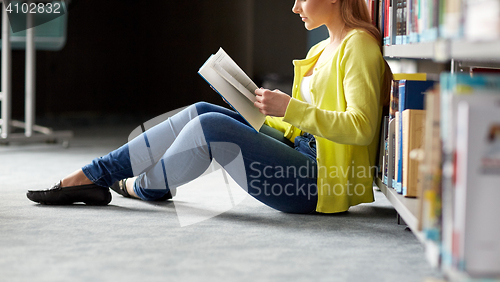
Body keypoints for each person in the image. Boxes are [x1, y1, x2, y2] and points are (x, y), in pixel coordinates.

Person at [27, 0, 393, 214]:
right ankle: (95, 174)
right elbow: (300, 128)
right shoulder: (319, 49)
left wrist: (290, 108)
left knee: (210, 130)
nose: (295, 6)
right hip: (301, 151)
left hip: (319, 181)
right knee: (202, 111)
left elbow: (362, 128)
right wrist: (257, 109)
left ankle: (145, 187)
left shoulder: (359, 46)